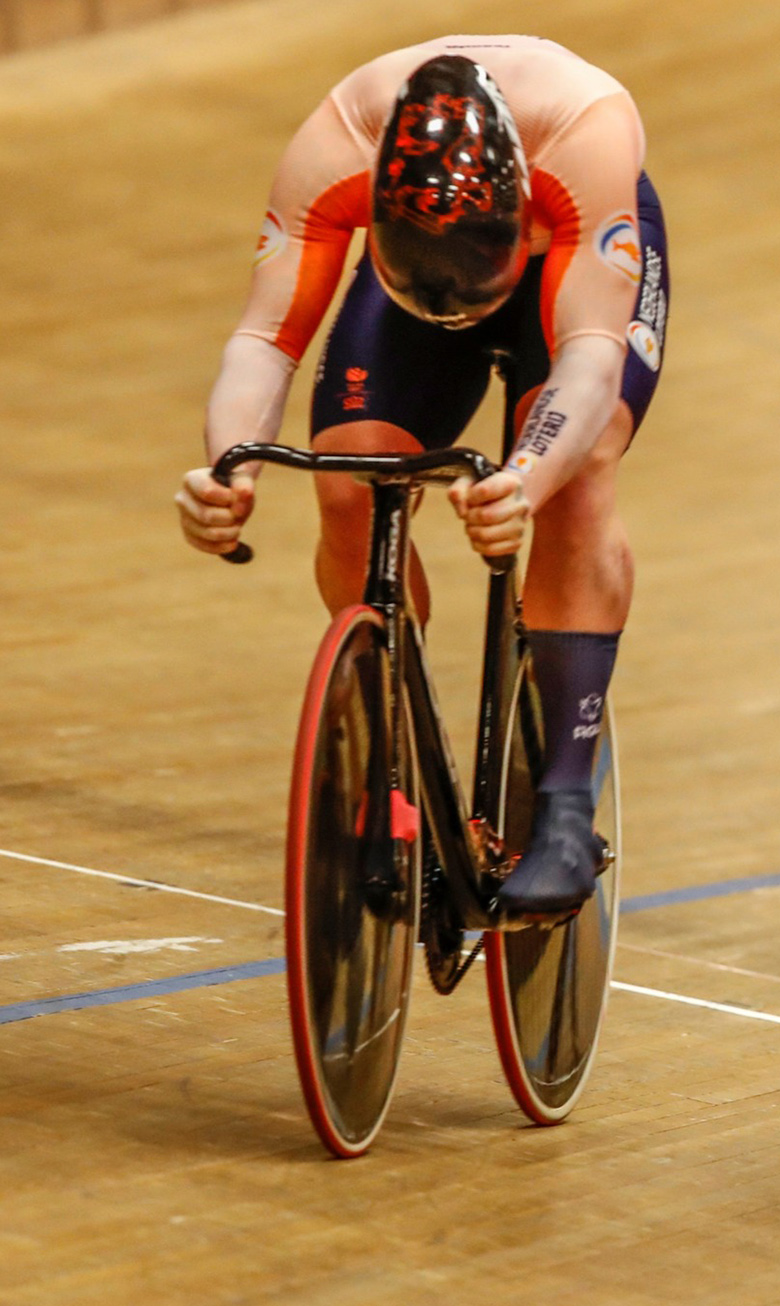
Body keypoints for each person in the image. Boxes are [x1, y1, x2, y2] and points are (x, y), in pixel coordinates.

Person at [174, 36, 669, 917]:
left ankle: (562, 804)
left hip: (570, 255)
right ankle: (393, 753)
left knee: (578, 477)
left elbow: (590, 360)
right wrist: (227, 469)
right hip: (422, 257)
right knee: (347, 475)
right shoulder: (334, 146)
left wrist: (525, 476)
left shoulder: (588, 131)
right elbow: (264, 339)